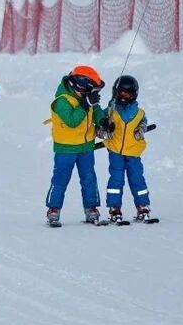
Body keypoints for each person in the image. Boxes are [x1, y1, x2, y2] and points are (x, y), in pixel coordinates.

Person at [44, 65, 105, 227]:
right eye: (88, 92)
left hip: (86, 148)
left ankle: (91, 209)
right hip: (66, 149)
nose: (91, 96)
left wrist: (102, 121)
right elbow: (72, 121)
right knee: (60, 180)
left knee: (89, 179)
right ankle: (53, 209)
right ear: (78, 87)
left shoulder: (86, 97)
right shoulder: (61, 101)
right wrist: (85, 105)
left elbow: (96, 110)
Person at [98, 75, 155, 224]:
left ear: (133, 94)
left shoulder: (139, 113)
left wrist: (141, 129)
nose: (123, 96)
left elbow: (143, 122)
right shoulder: (111, 110)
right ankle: (114, 208)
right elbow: (99, 128)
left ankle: (143, 206)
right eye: (120, 93)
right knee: (116, 180)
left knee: (137, 180)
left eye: (126, 93)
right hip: (115, 152)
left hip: (133, 153)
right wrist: (105, 129)